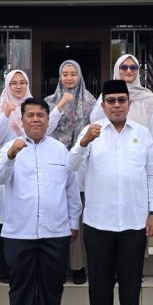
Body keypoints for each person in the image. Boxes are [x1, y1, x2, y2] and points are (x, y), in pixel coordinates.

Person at [70, 79, 153, 305]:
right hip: (98, 222)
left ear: (128, 104)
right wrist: (83, 142)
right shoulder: (91, 132)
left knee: (131, 285)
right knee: (100, 285)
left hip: (134, 221)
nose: (117, 105)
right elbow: (70, 167)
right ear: (103, 104)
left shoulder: (142, 134)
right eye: (111, 101)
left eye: (121, 100)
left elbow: (152, 174)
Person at [0, 98, 81, 305]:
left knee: (52, 287)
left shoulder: (60, 150)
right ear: (21, 120)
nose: (35, 119)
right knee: (20, 288)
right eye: (29, 115)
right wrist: (11, 156)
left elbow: (71, 188)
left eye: (40, 115)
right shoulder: (10, 147)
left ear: (48, 119)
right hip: (19, 232)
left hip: (55, 231)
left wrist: (73, 222)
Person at [0, 70, 58, 281]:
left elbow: (46, 131)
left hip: (33, 165)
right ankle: (5, 269)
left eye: (22, 82)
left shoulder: (33, 109)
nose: (18, 86)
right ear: (7, 86)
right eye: (14, 83)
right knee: (4, 217)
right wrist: (5, 115)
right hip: (7, 162)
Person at [46, 59, 97, 286]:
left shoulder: (91, 102)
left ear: (79, 76)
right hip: (55, 161)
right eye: (65, 74)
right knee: (56, 212)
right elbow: (45, 129)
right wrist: (60, 106)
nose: (69, 78)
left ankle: (78, 266)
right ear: (59, 77)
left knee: (78, 215)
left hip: (81, 164)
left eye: (73, 74)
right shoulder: (49, 101)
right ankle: (56, 265)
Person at [90, 54, 153, 147]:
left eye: (133, 67)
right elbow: (96, 121)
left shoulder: (147, 97)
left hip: (140, 148)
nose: (129, 71)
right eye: (124, 67)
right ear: (117, 70)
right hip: (111, 147)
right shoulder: (107, 95)